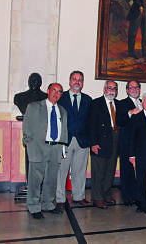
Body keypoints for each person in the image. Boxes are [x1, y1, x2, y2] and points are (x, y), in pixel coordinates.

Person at [22, 83, 67, 219]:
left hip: (55, 148)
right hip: (38, 147)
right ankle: (34, 206)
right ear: (48, 91)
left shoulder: (62, 110)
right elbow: (27, 127)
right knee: (35, 180)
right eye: (54, 90)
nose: (56, 93)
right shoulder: (34, 107)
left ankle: (48, 204)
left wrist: (62, 148)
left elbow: (64, 130)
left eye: (59, 92)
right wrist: (30, 144)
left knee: (51, 179)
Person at [56, 71, 92, 207]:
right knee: (61, 171)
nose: (77, 82)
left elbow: (90, 122)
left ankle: (79, 196)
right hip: (65, 140)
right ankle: (60, 198)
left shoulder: (88, 100)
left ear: (82, 83)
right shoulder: (61, 97)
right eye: (74, 79)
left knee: (80, 170)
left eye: (80, 80)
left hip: (82, 141)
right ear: (70, 81)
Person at [88, 80, 120, 209]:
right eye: (109, 88)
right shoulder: (96, 103)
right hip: (100, 141)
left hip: (115, 139)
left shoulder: (118, 104)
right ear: (104, 89)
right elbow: (90, 125)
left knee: (110, 170)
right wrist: (93, 143)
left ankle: (106, 194)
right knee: (98, 171)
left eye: (114, 89)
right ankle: (97, 197)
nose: (111, 90)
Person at [14, 72, 48, 182]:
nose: (33, 82)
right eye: (31, 80)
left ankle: (36, 185)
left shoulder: (46, 97)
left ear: (40, 83)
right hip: (29, 133)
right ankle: (30, 185)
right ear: (28, 81)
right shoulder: (20, 97)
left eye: (36, 80)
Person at [116, 80, 142, 206]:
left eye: (136, 87)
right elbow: (119, 121)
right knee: (127, 170)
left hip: (141, 144)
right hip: (127, 142)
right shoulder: (121, 103)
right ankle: (127, 197)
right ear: (127, 90)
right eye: (131, 87)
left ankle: (137, 195)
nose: (134, 89)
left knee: (139, 171)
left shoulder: (144, 103)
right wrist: (130, 113)